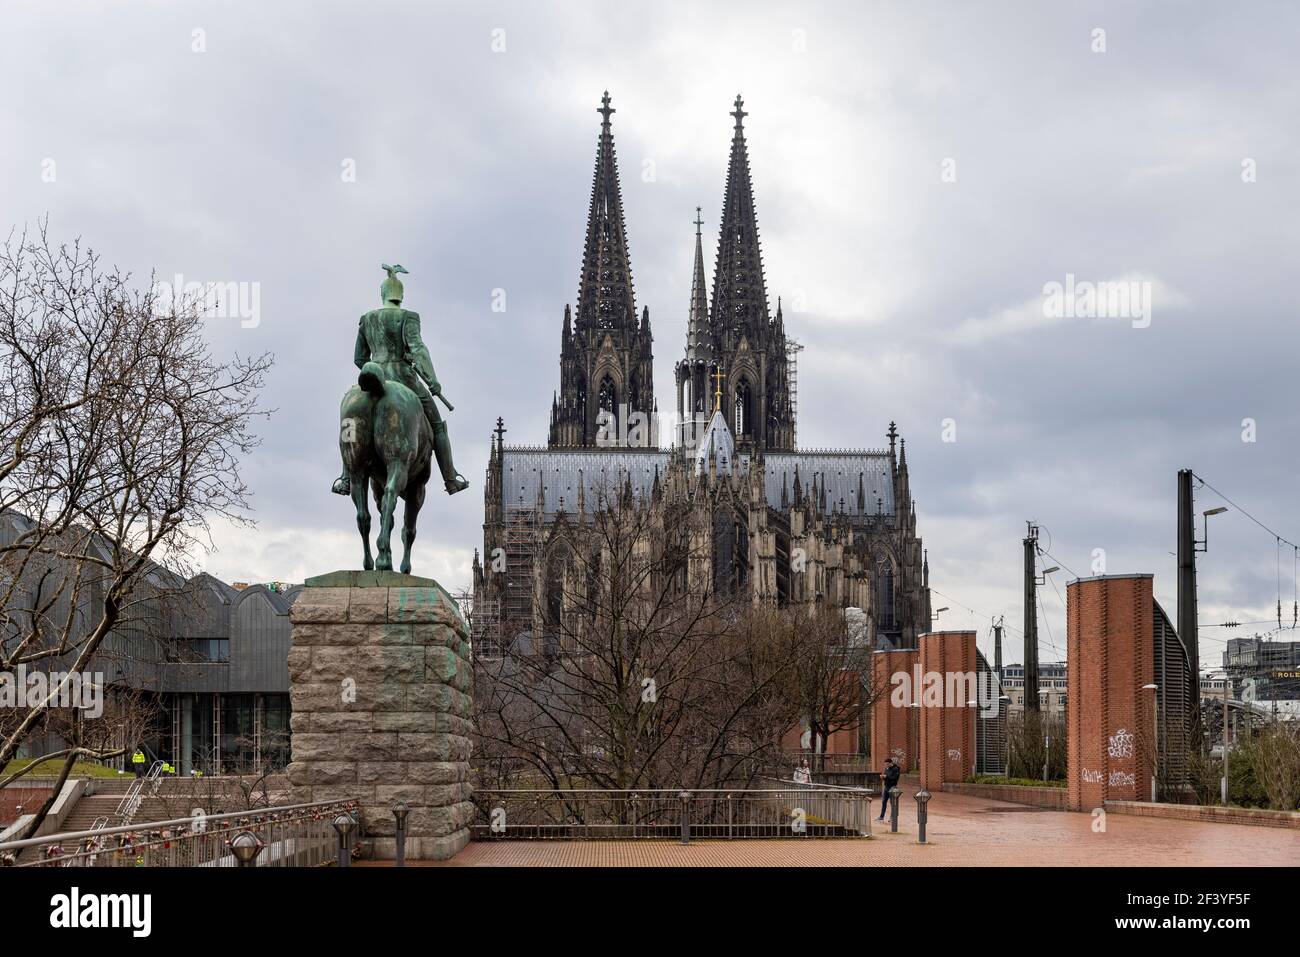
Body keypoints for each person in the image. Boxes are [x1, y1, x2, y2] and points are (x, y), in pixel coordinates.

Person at [331, 264, 468, 497]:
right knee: (438, 427)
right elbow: (419, 350)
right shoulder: (409, 317)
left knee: (349, 424)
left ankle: (345, 477)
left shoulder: (367, 319)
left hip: (373, 374)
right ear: (400, 296)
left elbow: (359, 358)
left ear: (382, 295)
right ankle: (451, 478)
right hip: (405, 379)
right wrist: (433, 380)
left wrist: (375, 365)